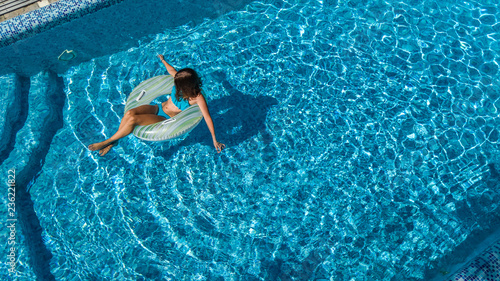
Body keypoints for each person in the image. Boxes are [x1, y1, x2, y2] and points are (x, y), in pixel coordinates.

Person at [88, 55, 225, 156]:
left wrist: (214, 140)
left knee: (133, 120)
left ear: (187, 86)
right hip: (157, 108)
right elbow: (172, 70)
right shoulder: (180, 80)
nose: (176, 85)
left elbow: (207, 117)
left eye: (179, 85)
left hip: (165, 119)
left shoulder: (198, 97)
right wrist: (163, 60)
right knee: (130, 113)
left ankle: (108, 141)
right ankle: (114, 142)